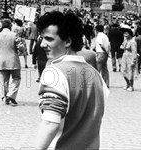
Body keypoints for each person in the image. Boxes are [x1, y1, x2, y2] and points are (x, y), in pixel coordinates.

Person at [35, 11, 108, 150]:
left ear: (67, 41)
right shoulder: (95, 75)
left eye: (49, 39)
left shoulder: (54, 73)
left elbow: (50, 123)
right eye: (42, 38)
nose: (42, 44)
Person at [0, 19, 21, 105]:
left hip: (2, 60)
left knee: (4, 80)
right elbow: (20, 47)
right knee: (16, 78)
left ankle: (5, 97)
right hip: (13, 60)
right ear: (10, 26)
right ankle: (11, 95)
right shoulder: (14, 35)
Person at [120, 24, 137, 91]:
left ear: (130, 34)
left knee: (130, 71)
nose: (125, 35)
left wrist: (134, 60)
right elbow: (122, 47)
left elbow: (134, 52)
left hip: (130, 57)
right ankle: (127, 84)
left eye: (126, 33)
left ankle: (131, 86)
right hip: (124, 56)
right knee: (123, 71)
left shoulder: (133, 41)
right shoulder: (125, 41)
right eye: (124, 33)